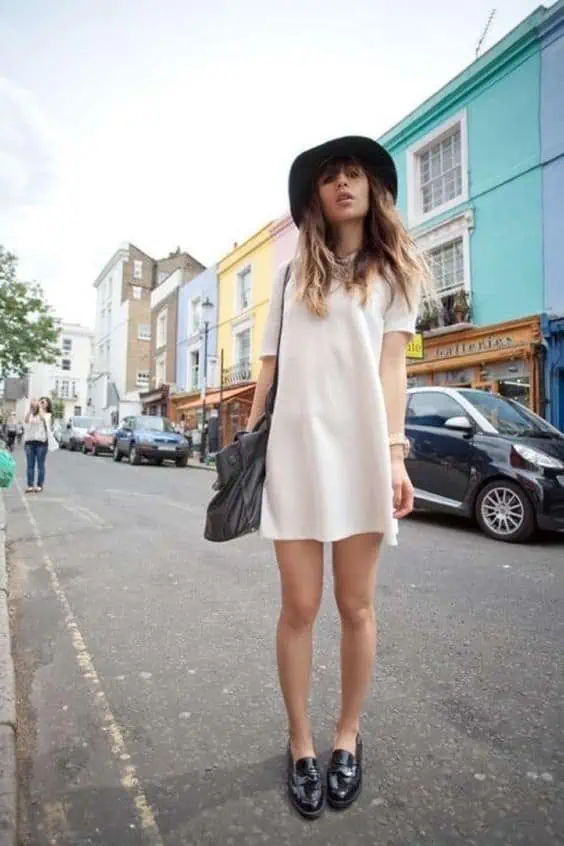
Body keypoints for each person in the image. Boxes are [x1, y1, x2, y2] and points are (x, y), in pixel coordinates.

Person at [246, 137, 428, 818]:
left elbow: (393, 370)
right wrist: (251, 448)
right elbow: (269, 362)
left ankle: (346, 736)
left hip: (359, 452)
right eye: (330, 177)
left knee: (356, 608)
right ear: (314, 196)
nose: (343, 184)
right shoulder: (293, 276)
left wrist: (396, 453)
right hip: (293, 449)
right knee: (299, 608)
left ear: (371, 187)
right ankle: (300, 743)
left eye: (353, 173)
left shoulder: (392, 273)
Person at [23, 396, 53, 493]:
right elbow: (26, 420)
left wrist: (39, 407)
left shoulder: (48, 415)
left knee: (40, 465)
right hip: (29, 442)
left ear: (48, 405)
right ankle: (30, 485)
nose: (41, 403)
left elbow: (42, 418)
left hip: (41, 443)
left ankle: (39, 485)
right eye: (40, 401)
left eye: (43, 402)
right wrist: (31, 409)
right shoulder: (33, 414)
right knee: (30, 465)